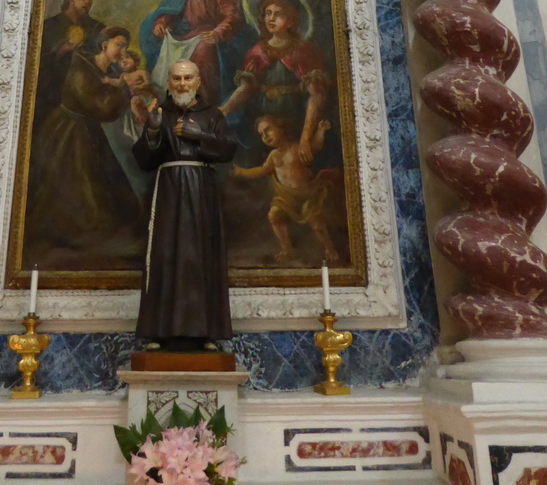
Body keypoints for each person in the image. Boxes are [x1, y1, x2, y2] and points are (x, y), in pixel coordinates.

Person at [132, 59, 238, 350]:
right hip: (168, 191)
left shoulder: (212, 115)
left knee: (202, 255)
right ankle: (158, 331)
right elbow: (143, 160)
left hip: (202, 190)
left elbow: (228, 149)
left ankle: (207, 333)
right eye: (176, 78)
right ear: (168, 82)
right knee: (165, 254)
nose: (182, 84)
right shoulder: (160, 113)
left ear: (198, 81)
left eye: (187, 78)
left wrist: (199, 135)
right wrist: (153, 132)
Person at [24, 26, 140, 265]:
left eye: (125, 46)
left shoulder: (112, 70)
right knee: (78, 183)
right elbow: (101, 106)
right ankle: (80, 233)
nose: (122, 51)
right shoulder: (82, 68)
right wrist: (122, 92)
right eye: (119, 45)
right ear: (104, 45)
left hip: (87, 129)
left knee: (105, 181)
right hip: (68, 131)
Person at [140, 0, 255, 106]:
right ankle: (175, 106)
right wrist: (161, 23)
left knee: (202, 52)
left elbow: (233, 16)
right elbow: (170, 10)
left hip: (218, 39)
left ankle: (202, 106)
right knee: (168, 58)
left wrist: (218, 32)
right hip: (189, 36)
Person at [220, 0, 327, 160]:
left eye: (278, 14)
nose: (271, 18)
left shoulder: (303, 50)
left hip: (294, 116)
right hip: (260, 116)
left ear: (291, 22)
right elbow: (245, 88)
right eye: (268, 13)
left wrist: (305, 139)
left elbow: (316, 96)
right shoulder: (257, 51)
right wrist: (224, 110)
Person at [232, 115, 340, 264]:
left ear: (281, 127)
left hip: (308, 194)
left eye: (268, 130)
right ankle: (288, 249)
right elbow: (261, 170)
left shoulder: (296, 148)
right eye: (261, 134)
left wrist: (321, 130)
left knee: (317, 224)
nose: (265, 136)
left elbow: (315, 146)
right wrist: (241, 172)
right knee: (274, 215)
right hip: (287, 198)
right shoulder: (274, 156)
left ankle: (330, 248)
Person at [33, 0, 104, 131]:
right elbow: (37, 62)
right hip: (54, 93)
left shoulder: (95, 28)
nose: (87, 2)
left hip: (84, 94)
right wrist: (61, 51)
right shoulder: (50, 26)